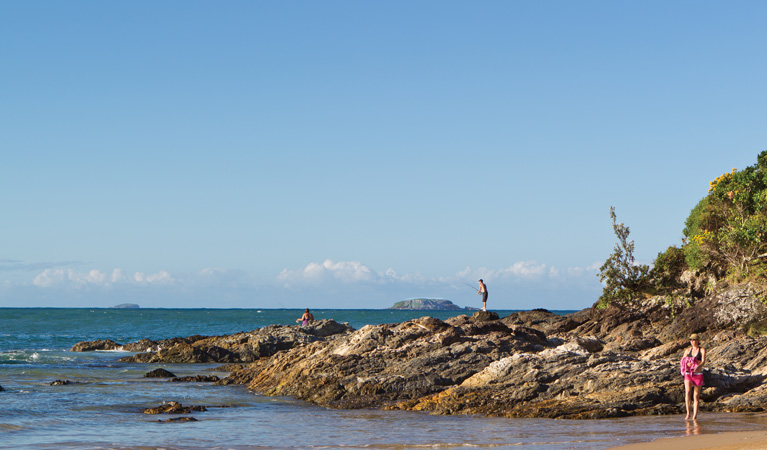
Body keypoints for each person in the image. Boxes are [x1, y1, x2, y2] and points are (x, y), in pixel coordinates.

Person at [681, 333, 706, 420]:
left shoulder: (702, 350)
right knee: (687, 392)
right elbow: (683, 361)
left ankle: (694, 415)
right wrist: (687, 364)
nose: (692, 341)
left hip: (698, 374)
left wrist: (698, 366)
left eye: (694, 340)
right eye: (691, 340)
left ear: (698, 340)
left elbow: (703, 361)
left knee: (696, 395)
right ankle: (688, 413)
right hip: (688, 374)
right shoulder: (688, 350)